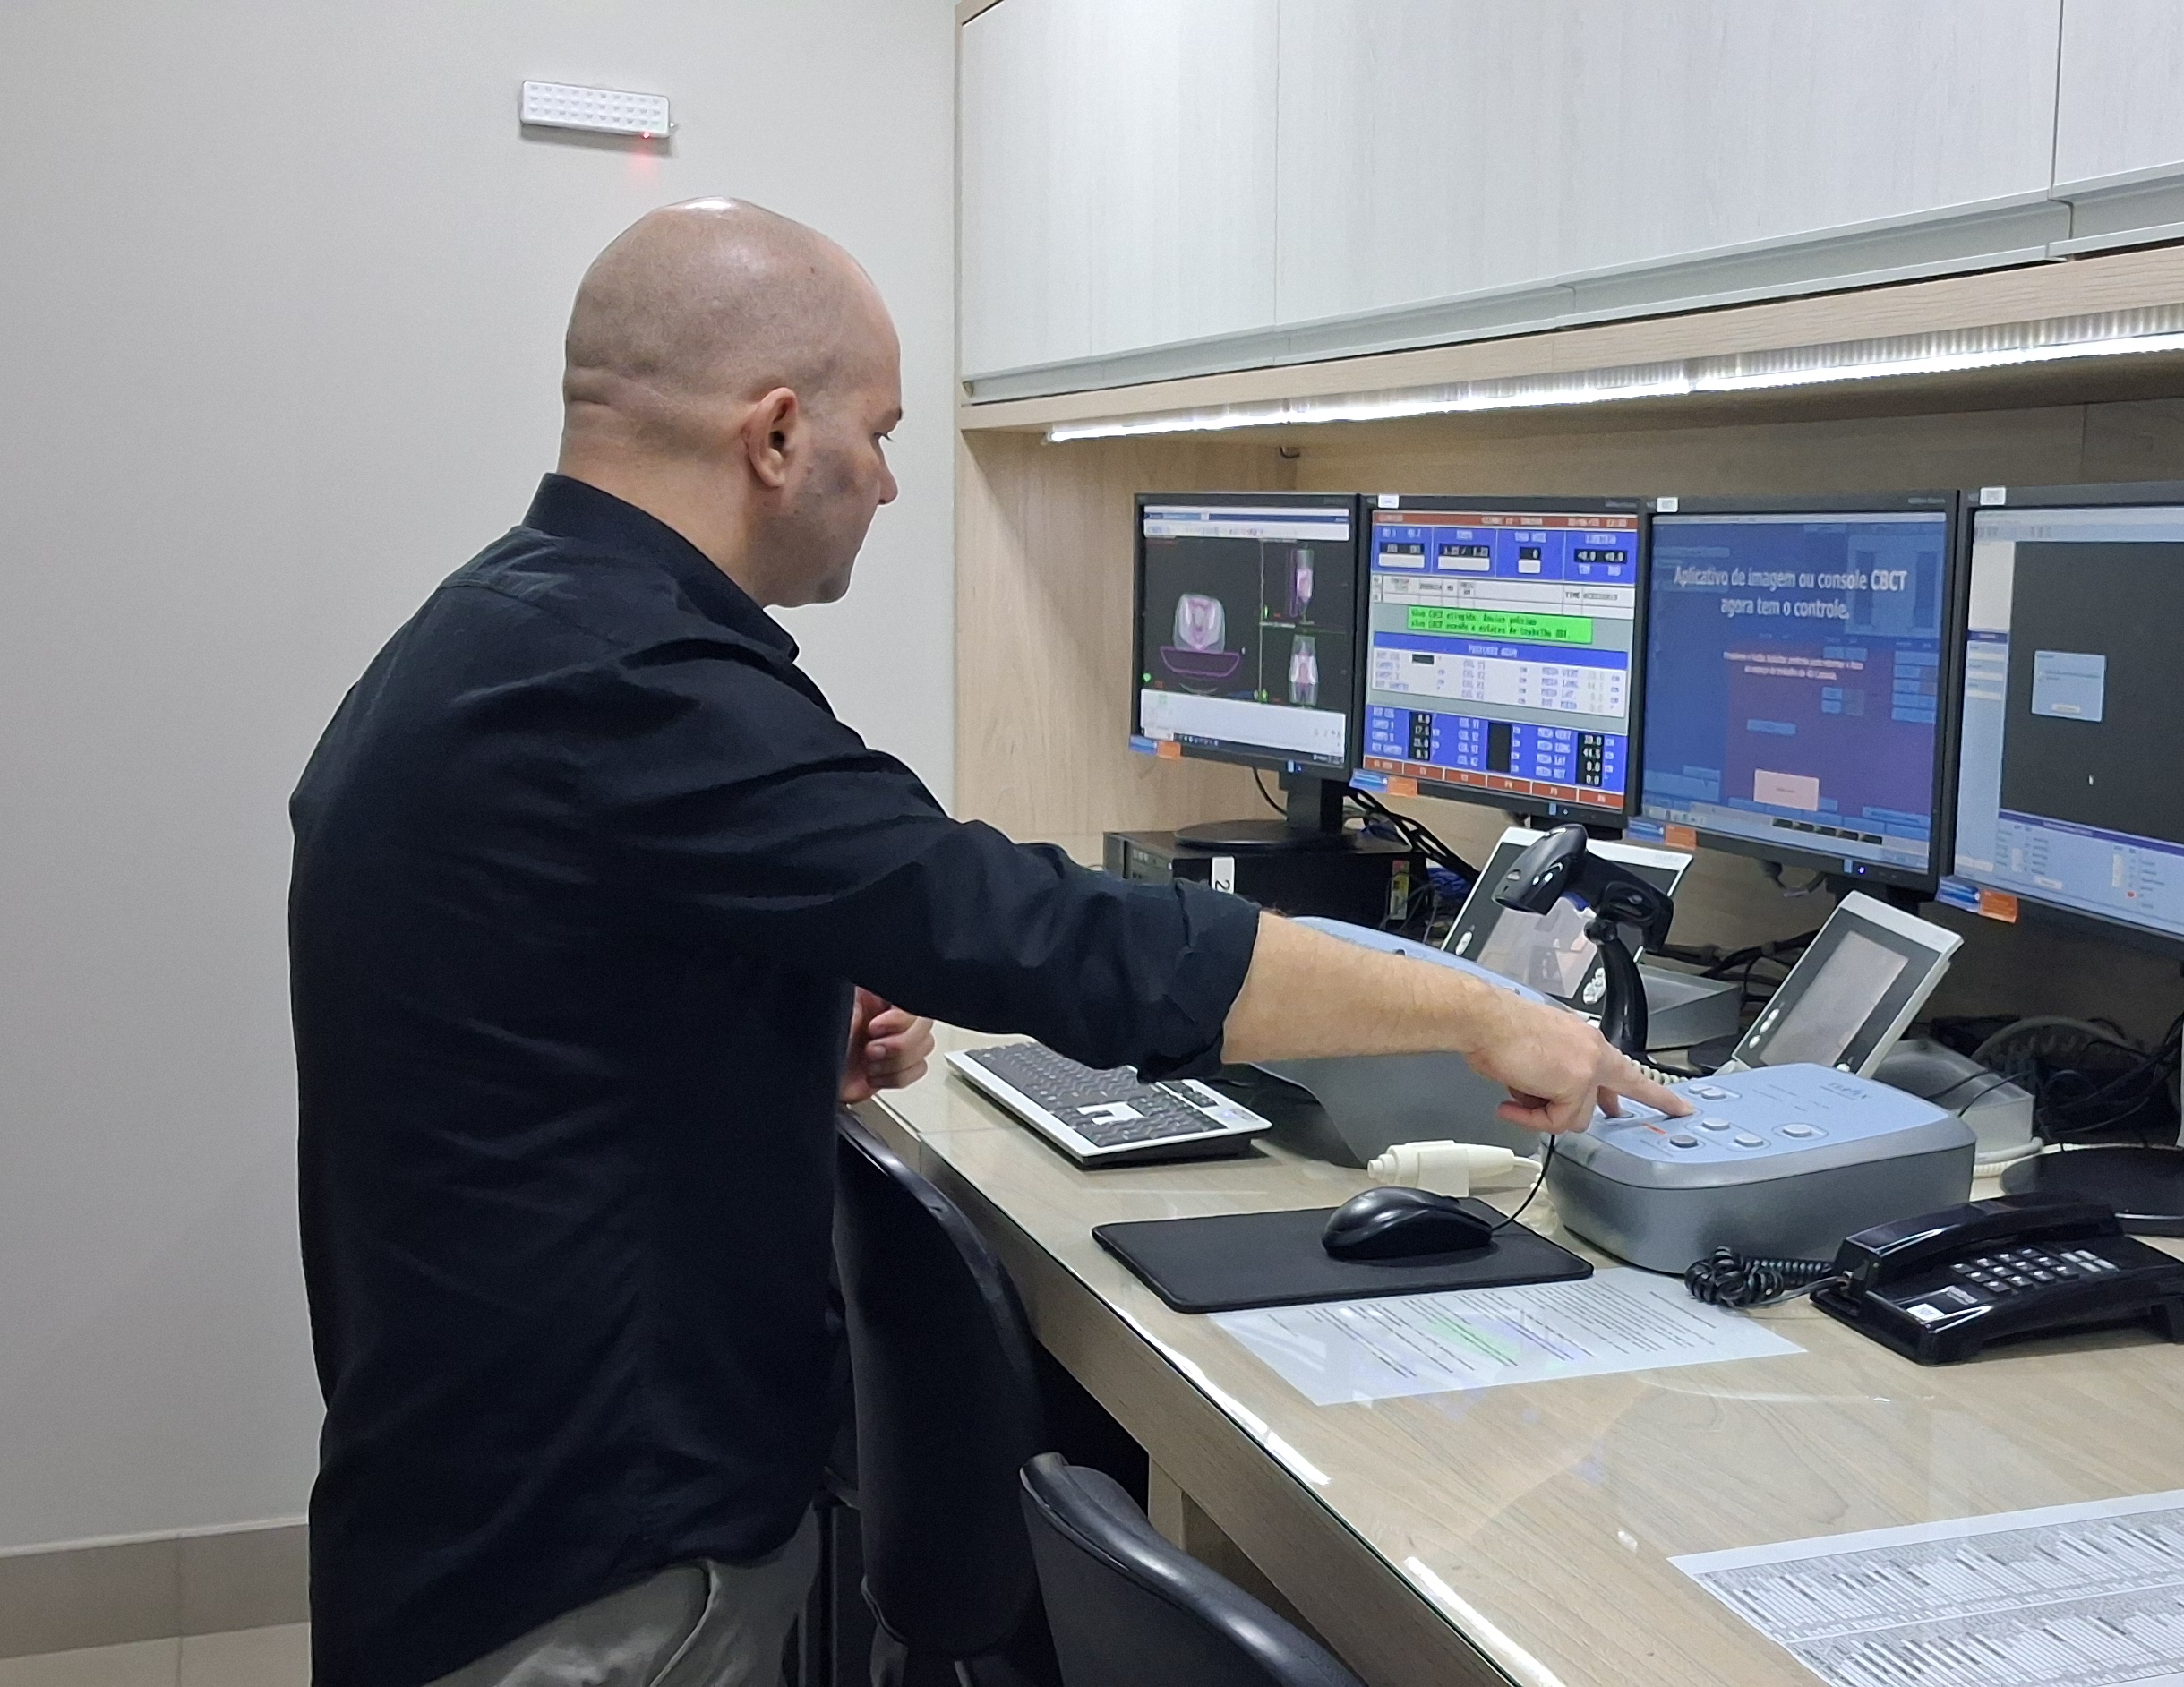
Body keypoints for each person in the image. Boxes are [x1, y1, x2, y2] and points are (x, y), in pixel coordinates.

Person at [287, 199, 1682, 1687]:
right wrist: (1473, 1012)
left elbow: (534, 998)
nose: (890, 482)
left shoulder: (502, 631)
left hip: (478, 1501)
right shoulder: (633, 688)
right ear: (776, 436)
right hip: (595, 1574)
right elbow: (1039, 930)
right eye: (879, 435)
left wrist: (758, 1032)